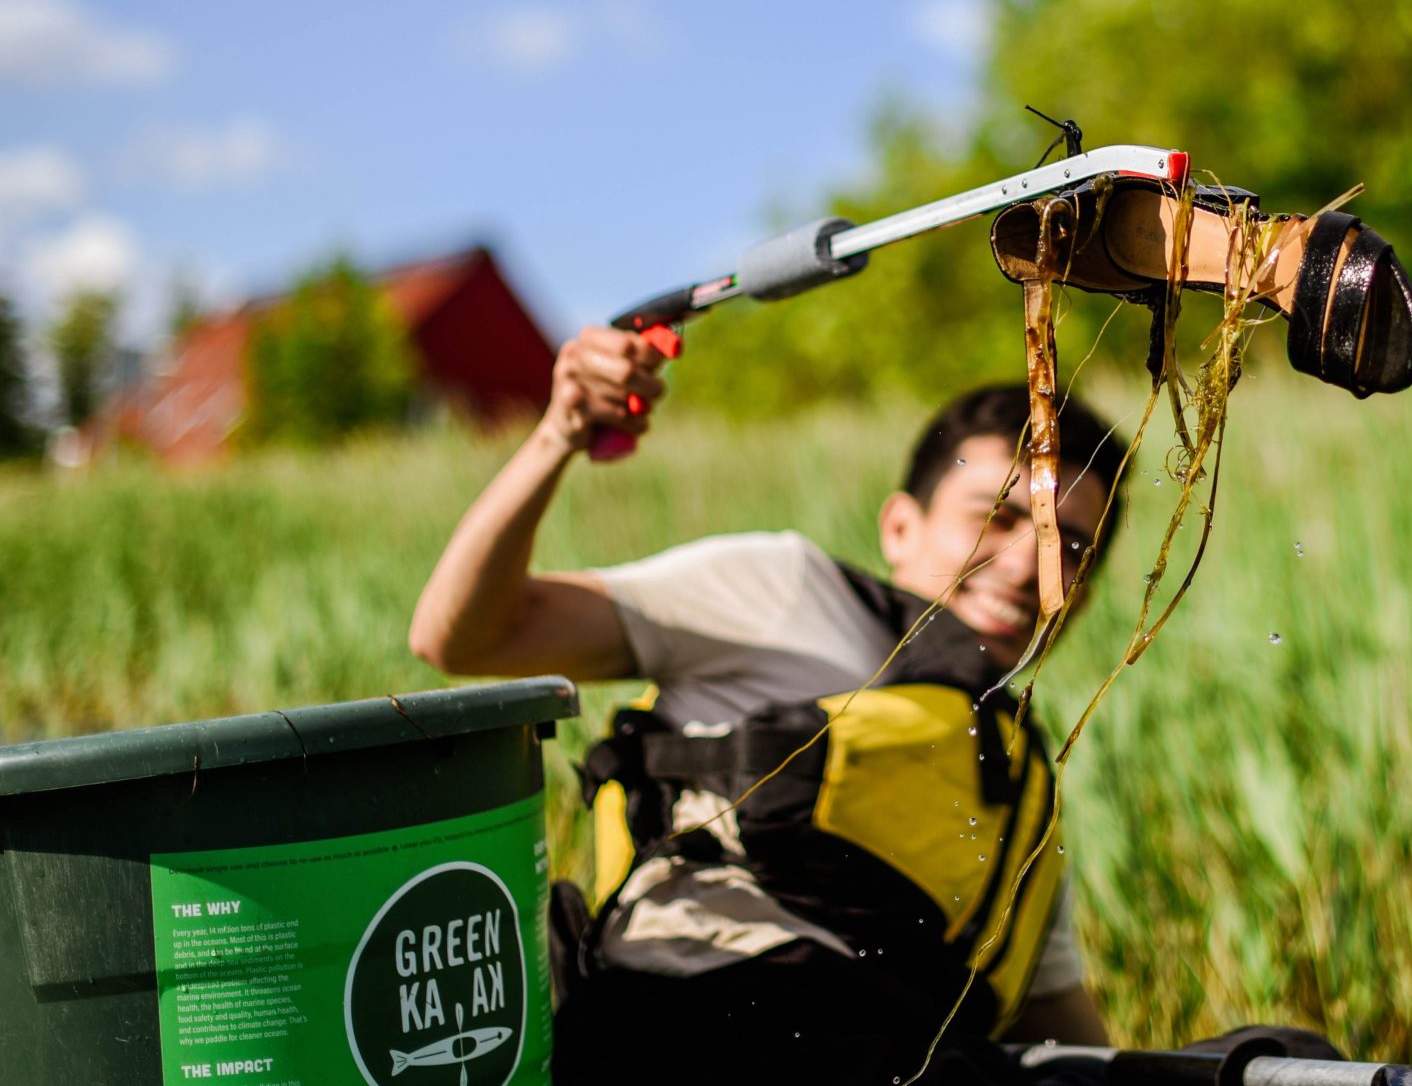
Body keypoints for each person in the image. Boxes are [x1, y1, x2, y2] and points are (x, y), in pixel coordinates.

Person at [409, 323, 1122, 1083]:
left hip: (904, 1061)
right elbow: (467, 637)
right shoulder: (779, 588)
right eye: (999, 517)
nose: (1025, 567)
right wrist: (559, 434)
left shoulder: (1017, 782)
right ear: (899, 527)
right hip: (692, 1033)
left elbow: (1059, 1015)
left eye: (1069, 550)